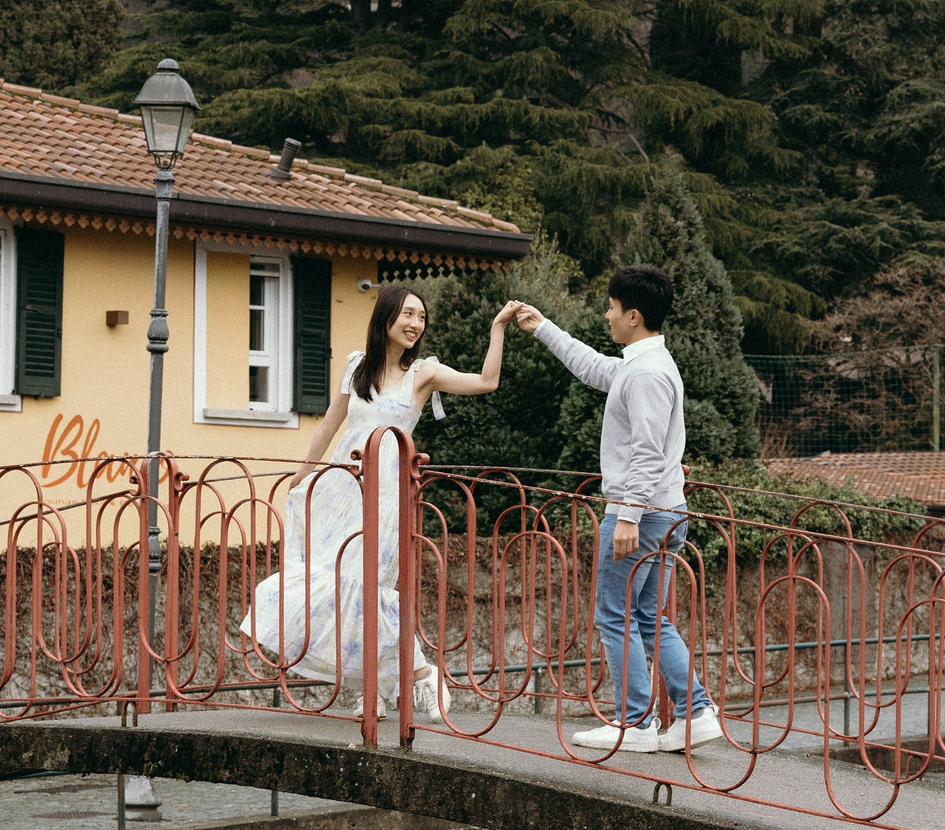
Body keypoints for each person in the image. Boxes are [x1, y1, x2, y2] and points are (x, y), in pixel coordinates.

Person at [243, 284, 508, 724]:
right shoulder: (357, 368)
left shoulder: (423, 373)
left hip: (388, 499)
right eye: (407, 314)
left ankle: (422, 670)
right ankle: (374, 688)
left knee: (371, 588)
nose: (414, 324)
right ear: (385, 317)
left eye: (421, 317)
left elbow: (487, 382)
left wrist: (497, 328)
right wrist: (303, 473)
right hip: (341, 492)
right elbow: (329, 427)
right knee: (325, 585)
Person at [506, 267, 720, 755]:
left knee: (613, 616)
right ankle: (695, 712)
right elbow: (593, 368)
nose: (606, 314)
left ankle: (635, 722)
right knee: (649, 618)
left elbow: (646, 451)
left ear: (633, 315)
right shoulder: (642, 364)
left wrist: (626, 515)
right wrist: (542, 327)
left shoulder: (646, 373)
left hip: (641, 516)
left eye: (611, 307)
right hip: (667, 512)